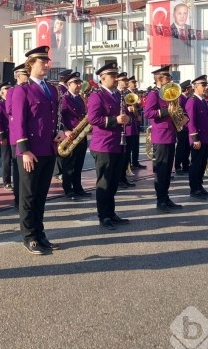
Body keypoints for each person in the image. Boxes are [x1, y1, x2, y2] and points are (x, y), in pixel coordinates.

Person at [12, 46, 62, 255]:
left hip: (48, 149)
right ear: (31, 64)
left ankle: (40, 233)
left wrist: (59, 132)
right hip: (30, 151)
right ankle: (29, 236)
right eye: (43, 61)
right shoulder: (21, 90)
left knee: (41, 195)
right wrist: (24, 150)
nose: (47, 65)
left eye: (47, 61)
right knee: (29, 196)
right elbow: (18, 122)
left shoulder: (51, 90)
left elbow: (52, 118)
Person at [87, 62, 130, 230]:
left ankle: (111, 213)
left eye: (115, 75)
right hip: (104, 145)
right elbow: (93, 119)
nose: (115, 78)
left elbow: (124, 115)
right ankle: (103, 215)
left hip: (118, 145)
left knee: (113, 182)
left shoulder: (119, 95)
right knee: (104, 182)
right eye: (112, 76)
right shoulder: (97, 96)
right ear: (102, 78)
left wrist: (127, 119)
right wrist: (115, 120)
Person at [144, 65, 183, 212]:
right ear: (160, 79)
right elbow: (148, 113)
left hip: (170, 134)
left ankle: (166, 197)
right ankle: (160, 201)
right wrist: (166, 111)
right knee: (161, 170)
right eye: (168, 77)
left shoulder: (169, 93)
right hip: (160, 136)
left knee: (167, 170)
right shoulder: (154, 94)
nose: (170, 79)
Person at [59, 72, 92, 200]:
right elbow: (59, 117)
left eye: (79, 83)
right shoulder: (64, 98)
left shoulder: (79, 98)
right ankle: (68, 189)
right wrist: (65, 130)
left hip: (81, 134)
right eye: (76, 83)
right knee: (69, 165)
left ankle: (78, 188)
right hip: (70, 135)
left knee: (79, 163)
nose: (79, 85)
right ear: (68, 84)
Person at [185, 75, 208, 199]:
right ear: (195, 87)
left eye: (206, 85)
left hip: (205, 137)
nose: (206, 87)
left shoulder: (202, 101)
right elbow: (191, 122)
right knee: (196, 164)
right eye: (203, 85)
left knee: (202, 163)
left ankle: (200, 186)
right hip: (198, 139)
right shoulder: (192, 101)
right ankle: (194, 189)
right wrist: (195, 138)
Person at [6, 63, 30, 209]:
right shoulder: (12, 91)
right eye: (25, 75)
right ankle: (18, 199)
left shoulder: (31, 89)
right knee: (18, 169)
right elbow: (10, 110)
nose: (27, 77)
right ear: (18, 76)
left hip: (29, 135)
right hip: (17, 136)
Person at [0, 82, 13, 190]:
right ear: (2, 93)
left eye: (11, 89)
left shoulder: (14, 102)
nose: (10, 91)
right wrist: (1, 136)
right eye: (7, 89)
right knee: (6, 159)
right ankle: (7, 182)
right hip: (6, 136)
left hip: (15, 135)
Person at [126, 76, 146, 170]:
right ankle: (129, 164)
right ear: (129, 83)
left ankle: (135, 161)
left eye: (135, 82)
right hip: (130, 122)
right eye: (133, 82)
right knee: (129, 145)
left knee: (136, 144)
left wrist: (138, 106)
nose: (135, 84)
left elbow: (139, 107)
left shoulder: (135, 93)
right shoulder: (126, 93)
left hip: (135, 122)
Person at [174, 80, 192, 176]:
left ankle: (185, 165)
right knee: (181, 147)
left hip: (187, 126)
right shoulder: (180, 98)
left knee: (187, 147)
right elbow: (179, 111)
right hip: (182, 126)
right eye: (190, 88)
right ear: (186, 89)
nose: (191, 90)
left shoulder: (186, 98)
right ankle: (177, 166)